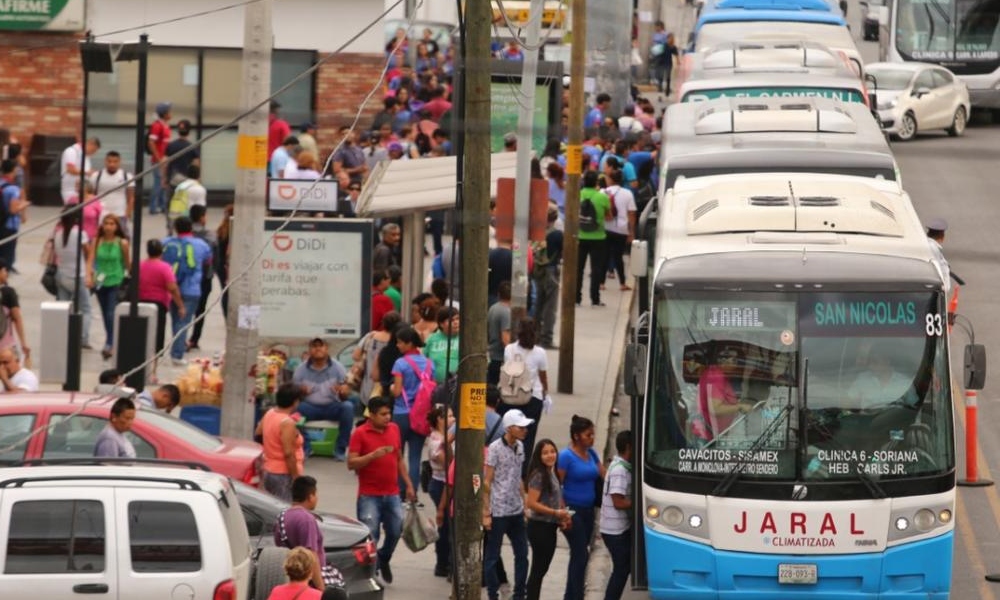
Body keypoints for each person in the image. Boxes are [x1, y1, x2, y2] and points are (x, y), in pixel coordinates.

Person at [347, 395, 417, 585]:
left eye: (389, 413)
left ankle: (382, 560)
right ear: (372, 415)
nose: (387, 418)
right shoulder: (360, 433)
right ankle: (369, 573)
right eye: (383, 414)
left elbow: (399, 458)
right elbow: (351, 463)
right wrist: (372, 456)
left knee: (395, 531)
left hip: (392, 493)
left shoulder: (394, 429)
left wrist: (409, 484)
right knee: (370, 536)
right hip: (369, 495)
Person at [483, 409, 533, 600]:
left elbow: (518, 477)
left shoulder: (520, 446)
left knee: (522, 554)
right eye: (520, 427)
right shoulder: (495, 448)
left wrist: (525, 502)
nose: (524, 430)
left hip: (516, 509)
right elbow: (487, 481)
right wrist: (486, 512)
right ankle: (493, 594)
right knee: (492, 556)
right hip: (499, 510)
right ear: (509, 428)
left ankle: (519, 594)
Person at [558, 415, 605, 600]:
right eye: (588, 435)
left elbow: (604, 474)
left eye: (593, 435)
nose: (592, 438)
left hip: (588, 511)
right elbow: (557, 485)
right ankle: (576, 596)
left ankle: (570, 595)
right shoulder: (565, 457)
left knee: (579, 554)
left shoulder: (592, 454)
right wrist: (562, 513)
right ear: (577, 436)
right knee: (581, 554)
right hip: (572, 511)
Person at [292, 337, 359, 461]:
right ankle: (306, 447)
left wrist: (342, 391)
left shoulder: (338, 368)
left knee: (348, 407)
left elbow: (345, 395)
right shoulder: (300, 370)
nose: (318, 349)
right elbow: (293, 394)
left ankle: (340, 449)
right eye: (314, 346)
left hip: (331, 406)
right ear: (309, 350)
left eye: (320, 345)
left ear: (326, 348)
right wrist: (300, 391)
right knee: (293, 409)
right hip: (309, 407)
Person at [275, 476, 344, 592]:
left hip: (291, 579)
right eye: (316, 494)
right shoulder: (306, 519)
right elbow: (311, 556)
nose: (317, 498)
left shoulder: (281, 517)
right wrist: (321, 588)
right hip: (308, 582)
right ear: (310, 497)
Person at [499, 317, 548, 474]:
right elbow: (543, 376)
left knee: (510, 434)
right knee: (528, 437)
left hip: (511, 396)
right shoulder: (540, 353)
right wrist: (546, 392)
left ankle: (506, 466)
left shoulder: (509, 350)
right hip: (533, 397)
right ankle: (521, 472)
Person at [162, 216, 212, 366]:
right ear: (191, 227)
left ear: (176, 228)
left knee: (176, 320)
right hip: (192, 288)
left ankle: (177, 347)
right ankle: (177, 354)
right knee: (184, 322)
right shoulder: (201, 244)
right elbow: (208, 262)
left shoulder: (166, 242)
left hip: (171, 287)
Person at [525, 438, 572, 600]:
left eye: (552, 451)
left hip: (549, 526)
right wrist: (555, 513)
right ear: (539, 456)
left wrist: (562, 516)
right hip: (540, 528)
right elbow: (531, 503)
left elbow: (553, 498)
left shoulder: (552, 473)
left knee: (541, 570)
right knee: (538, 570)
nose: (550, 455)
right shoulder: (539, 475)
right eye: (545, 453)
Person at [389, 326, 433, 496]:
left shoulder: (400, 363)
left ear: (409, 343)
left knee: (399, 455)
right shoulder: (429, 364)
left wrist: (392, 387)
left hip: (402, 413)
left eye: (400, 342)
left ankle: (400, 489)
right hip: (422, 416)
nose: (398, 345)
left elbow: (397, 391)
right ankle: (412, 492)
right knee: (415, 456)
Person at [138, 239, 185, 381]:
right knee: (156, 339)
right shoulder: (164, 267)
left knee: (143, 337)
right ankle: (152, 373)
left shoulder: (140, 265)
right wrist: (180, 305)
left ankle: (141, 369)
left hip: (141, 304)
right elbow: (172, 287)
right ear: (161, 252)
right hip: (158, 306)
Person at [88, 214, 130, 360]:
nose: (108, 227)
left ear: (117, 226)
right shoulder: (97, 241)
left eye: (112, 224)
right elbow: (91, 260)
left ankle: (110, 343)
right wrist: (89, 276)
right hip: (100, 281)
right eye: (106, 223)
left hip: (115, 280)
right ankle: (110, 338)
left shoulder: (122, 243)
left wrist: (129, 278)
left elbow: (127, 263)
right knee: (105, 313)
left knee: (111, 312)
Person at [256, 382, 306, 501]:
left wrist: (270, 447)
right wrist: (295, 477)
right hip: (283, 473)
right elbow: (289, 453)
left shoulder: (270, 413)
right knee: (284, 508)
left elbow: (258, 433)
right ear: (295, 402)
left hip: (269, 468)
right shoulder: (286, 423)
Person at [600, 430, 634, 600]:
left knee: (624, 567)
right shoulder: (620, 470)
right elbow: (618, 502)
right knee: (621, 569)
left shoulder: (621, 466)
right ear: (629, 447)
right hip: (614, 530)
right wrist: (639, 503)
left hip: (619, 527)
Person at [53, 206, 93, 349]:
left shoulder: (58, 234)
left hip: (62, 274)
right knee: (86, 308)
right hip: (78, 275)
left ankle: (62, 334)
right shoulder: (80, 234)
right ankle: (83, 337)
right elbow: (88, 253)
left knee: (63, 308)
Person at [425, 405, 454, 578]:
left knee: (448, 527)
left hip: (446, 484)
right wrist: (448, 443)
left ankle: (445, 563)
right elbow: (449, 464)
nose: (453, 419)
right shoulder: (436, 441)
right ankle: (443, 564)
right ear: (439, 420)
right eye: (449, 416)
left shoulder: (446, 437)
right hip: (440, 485)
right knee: (445, 527)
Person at [576, 171, 612, 307]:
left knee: (578, 269)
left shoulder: (577, 195)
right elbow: (609, 216)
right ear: (597, 182)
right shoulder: (602, 197)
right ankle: (595, 298)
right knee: (596, 269)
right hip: (598, 237)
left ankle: (576, 297)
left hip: (580, 236)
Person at [186, 204, 218, 351]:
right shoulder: (210, 236)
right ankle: (194, 338)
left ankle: (181, 338)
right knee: (200, 310)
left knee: (184, 309)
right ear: (201, 217)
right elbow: (214, 258)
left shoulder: (185, 234)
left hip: (187, 277)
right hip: (205, 278)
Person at [849, 345, 919, 410]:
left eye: (875, 362)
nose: (871, 366)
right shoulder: (862, 379)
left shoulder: (904, 382)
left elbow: (914, 408)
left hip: (896, 420)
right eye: (869, 362)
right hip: (868, 421)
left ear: (887, 360)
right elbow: (849, 402)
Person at [354, 311, 402, 403]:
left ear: (383, 323)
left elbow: (356, 356)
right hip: (388, 387)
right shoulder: (398, 342)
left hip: (367, 387)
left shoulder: (371, 336)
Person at [603, 169, 637, 291]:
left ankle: (601, 283)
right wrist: (631, 232)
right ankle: (622, 283)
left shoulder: (603, 192)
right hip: (621, 229)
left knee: (604, 256)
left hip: (605, 228)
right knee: (618, 257)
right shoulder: (627, 193)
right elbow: (632, 213)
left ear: (611, 180)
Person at [535, 205, 563, 348]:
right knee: (550, 307)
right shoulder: (557, 234)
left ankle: (535, 336)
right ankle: (547, 339)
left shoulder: (537, 233)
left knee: (538, 305)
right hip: (551, 271)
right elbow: (564, 253)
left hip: (537, 271)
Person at [90, 151, 135, 238]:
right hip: (101, 215)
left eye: (115, 162)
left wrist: (127, 214)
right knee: (99, 239)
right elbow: (91, 195)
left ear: (119, 162)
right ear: (105, 161)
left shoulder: (127, 176)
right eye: (109, 161)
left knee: (123, 239)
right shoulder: (96, 176)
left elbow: (131, 198)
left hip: (120, 214)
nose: (112, 164)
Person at [0, 159, 29, 271]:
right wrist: (24, 205)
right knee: (8, 253)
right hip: (9, 225)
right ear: (12, 171)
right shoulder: (13, 189)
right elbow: (13, 209)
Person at [0, 258, 29, 362]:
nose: (6, 273)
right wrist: (23, 343)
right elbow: (17, 319)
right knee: (11, 375)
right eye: (4, 270)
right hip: (6, 345)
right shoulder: (8, 293)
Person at [146, 102, 172, 215]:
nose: (171, 113)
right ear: (165, 113)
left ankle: (162, 206)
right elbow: (151, 142)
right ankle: (153, 207)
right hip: (159, 160)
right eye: (169, 111)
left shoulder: (165, 125)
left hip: (164, 159)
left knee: (163, 183)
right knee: (158, 183)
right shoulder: (157, 126)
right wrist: (158, 159)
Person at [425, 306, 459, 384]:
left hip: (458, 386)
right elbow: (424, 359)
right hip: (435, 386)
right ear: (441, 324)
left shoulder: (464, 339)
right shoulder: (431, 339)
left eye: (457, 319)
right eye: (451, 320)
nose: (456, 322)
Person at [487, 281, 512, 385]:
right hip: (500, 357)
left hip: (492, 353)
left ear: (498, 294)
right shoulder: (506, 312)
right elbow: (505, 338)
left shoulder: (493, 308)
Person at [60, 137, 100, 203]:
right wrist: (87, 172)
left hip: (84, 190)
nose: (93, 153)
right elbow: (70, 169)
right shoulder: (72, 151)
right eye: (93, 150)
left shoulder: (86, 156)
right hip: (71, 189)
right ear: (90, 144)